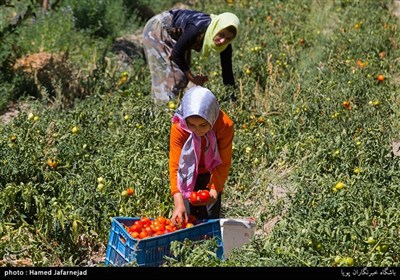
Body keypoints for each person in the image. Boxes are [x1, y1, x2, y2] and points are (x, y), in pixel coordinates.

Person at [142, 9, 240, 104]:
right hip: (158, 29)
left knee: (183, 79)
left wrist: (232, 99)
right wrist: (193, 78)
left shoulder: (225, 45)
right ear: (217, 28)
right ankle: (163, 113)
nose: (222, 41)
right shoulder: (197, 28)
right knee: (174, 79)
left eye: (228, 38)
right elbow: (177, 53)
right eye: (221, 34)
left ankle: (177, 112)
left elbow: (227, 71)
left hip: (177, 37)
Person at [169, 86, 234, 225]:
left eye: (203, 125)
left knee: (210, 217)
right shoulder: (179, 126)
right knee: (185, 218)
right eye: (191, 125)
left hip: (211, 172)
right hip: (186, 173)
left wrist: (214, 190)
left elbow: (223, 162)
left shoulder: (223, 125)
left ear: (212, 117)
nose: (197, 130)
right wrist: (178, 202)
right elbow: (176, 165)